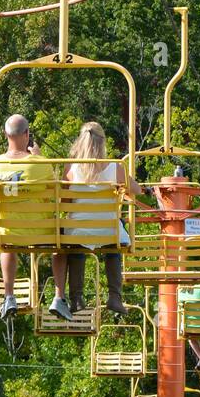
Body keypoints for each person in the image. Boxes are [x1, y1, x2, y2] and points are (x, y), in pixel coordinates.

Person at [0, 113, 72, 322]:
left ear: (5, 134)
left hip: (10, 233)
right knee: (62, 244)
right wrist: (38, 156)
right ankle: (59, 296)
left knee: (7, 243)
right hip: (43, 233)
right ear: (27, 134)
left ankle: (9, 295)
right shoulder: (41, 164)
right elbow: (55, 190)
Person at [63, 122, 147, 317]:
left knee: (76, 247)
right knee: (115, 242)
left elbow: (64, 200)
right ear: (103, 143)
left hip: (78, 231)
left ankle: (76, 297)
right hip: (109, 232)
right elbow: (137, 190)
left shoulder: (70, 167)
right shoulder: (116, 168)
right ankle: (115, 297)